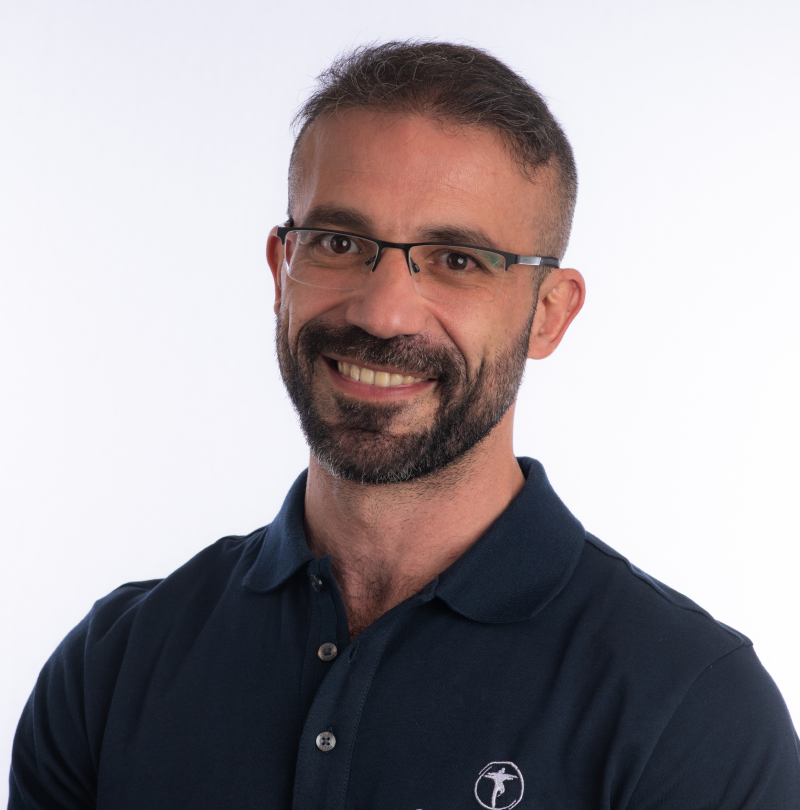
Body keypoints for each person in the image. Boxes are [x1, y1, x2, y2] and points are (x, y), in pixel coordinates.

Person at [9, 40, 800, 810]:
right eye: (339, 243)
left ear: (549, 314)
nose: (383, 312)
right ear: (282, 272)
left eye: (457, 259)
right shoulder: (112, 665)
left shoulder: (694, 711)